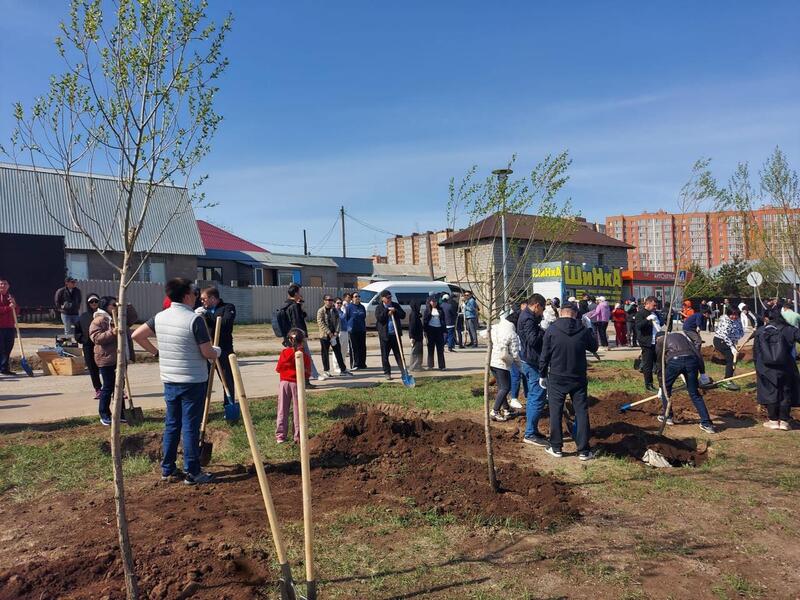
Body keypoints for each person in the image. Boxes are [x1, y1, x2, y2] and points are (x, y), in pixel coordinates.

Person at [132, 277, 220, 485]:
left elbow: (137, 335)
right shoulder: (193, 320)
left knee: (172, 424)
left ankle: (168, 469)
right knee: (190, 426)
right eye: (194, 292)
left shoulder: (160, 317)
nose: (197, 295)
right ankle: (193, 471)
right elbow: (207, 352)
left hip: (170, 379)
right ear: (187, 295)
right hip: (192, 380)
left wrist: (157, 353)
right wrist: (217, 351)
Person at [538, 301, 598, 460]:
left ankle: (556, 447)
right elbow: (594, 347)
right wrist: (590, 328)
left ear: (560, 312)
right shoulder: (583, 330)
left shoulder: (552, 330)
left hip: (557, 376)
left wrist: (542, 374)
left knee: (556, 411)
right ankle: (584, 450)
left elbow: (545, 355)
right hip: (578, 377)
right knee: (581, 411)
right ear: (576, 314)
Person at [654, 330, 717, 434]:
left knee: (666, 389)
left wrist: (661, 387)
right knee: (694, 393)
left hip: (675, 361)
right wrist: (703, 373)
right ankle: (707, 424)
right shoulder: (680, 336)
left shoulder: (661, 342)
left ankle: (668, 416)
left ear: (657, 339)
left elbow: (660, 365)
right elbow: (697, 353)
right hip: (692, 361)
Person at [754, 308, 800, 430]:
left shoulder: (761, 331)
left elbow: (756, 352)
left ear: (766, 318)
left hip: (766, 368)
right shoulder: (789, 329)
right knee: (785, 392)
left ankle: (773, 421)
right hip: (786, 367)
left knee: (770, 392)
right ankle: (784, 421)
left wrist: (758, 368)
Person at [518, 294, 547, 446]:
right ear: (536, 305)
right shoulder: (528, 319)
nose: (542, 313)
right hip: (532, 361)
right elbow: (533, 340)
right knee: (537, 396)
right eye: (542, 309)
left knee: (534, 397)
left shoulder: (527, 316)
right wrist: (543, 329)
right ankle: (530, 433)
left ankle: (532, 430)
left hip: (528, 359)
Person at [198, 287, 236, 405]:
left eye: (204, 299)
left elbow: (225, 322)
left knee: (227, 380)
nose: (202, 302)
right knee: (203, 381)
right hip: (207, 349)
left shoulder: (227, 307)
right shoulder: (202, 311)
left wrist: (208, 315)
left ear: (213, 298)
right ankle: (203, 409)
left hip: (224, 349)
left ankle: (229, 405)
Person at [89, 296, 123, 426]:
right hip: (106, 358)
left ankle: (121, 412)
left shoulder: (118, 318)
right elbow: (96, 338)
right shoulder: (99, 320)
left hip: (119, 357)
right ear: (106, 306)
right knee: (108, 386)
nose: (115, 307)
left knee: (120, 386)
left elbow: (133, 318)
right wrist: (111, 333)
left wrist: (126, 305)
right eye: (113, 305)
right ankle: (104, 414)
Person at [274, 328, 311, 443]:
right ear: (302, 341)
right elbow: (307, 373)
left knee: (282, 409)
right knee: (298, 410)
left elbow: (278, 369)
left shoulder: (284, 353)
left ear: (289, 340)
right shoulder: (304, 356)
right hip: (297, 384)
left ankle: (280, 436)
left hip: (284, 383)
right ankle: (298, 436)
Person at [489, 311, 523, 422]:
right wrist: (519, 366)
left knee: (501, 387)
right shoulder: (512, 334)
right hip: (502, 364)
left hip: (492, 362)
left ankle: (507, 409)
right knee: (505, 387)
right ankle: (495, 411)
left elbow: (484, 333)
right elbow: (515, 353)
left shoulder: (496, 327)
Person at [282, 284, 320, 382]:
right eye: (299, 292)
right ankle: (306, 380)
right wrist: (302, 336)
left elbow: (301, 316)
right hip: (297, 337)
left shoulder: (287, 305)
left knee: (296, 358)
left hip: (290, 336)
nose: (300, 294)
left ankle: (299, 378)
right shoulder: (293, 306)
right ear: (295, 293)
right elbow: (297, 322)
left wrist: (300, 306)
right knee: (305, 357)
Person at [74, 293, 102, 399]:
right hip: (88, 346)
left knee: (107, 368)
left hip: (103, 345)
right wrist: (83, 340)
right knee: (92, 368)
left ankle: (113, 389)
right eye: (91, 302)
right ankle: (98, 389)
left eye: (96, 301)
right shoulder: (84, 316)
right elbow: (77, 331)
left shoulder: (104, 315)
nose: (94, 303)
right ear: (88, 303)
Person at [374, 290, 406, 380]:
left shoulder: (395, 305)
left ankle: (404, 372)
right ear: (382, 298)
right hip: (385, 336)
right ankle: (387, 373)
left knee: (399, 354)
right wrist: (387, 312)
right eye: (387, 298)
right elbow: (380, 318)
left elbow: (403, 315)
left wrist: (395, 311)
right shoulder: (379, 307)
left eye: (390, 297)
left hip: (395, 335)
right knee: (385, 356)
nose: (389, 299)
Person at [316, 295, 350, 378]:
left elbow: (338, 321)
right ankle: (326, 371)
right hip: (324, 336)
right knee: (325, 354)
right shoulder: (321, 311)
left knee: (338, 352)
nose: (330, 301)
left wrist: (336, 332)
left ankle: (343, 369)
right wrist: (329, 332)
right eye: (328, 300)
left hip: (334, 336)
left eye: (331, 300)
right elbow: (320, 323)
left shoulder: (334, 310)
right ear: (324, 301)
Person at [713, 308, 744, 390]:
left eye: (736, 315)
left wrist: (735, 338)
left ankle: (729, 378)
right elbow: (725, 335)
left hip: (732, 341)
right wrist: (732, 347)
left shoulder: (738, 320)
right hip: (721, 340)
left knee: (734, 358)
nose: (734, 317)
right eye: (732, 315)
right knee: (731, 357)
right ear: (728, 314)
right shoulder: (725, 320)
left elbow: (741, 332)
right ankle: (727, 381)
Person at [635, 296, 661, 392]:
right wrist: (647, 319)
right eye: (654, 305)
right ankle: (648, 385)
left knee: (659, 364)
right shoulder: (640, 313)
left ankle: (661, 384)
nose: (655, 307)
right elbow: (638, 326)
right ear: (647, 303)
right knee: (648, 365)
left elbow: (659, 325)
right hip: (646, 342)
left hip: (657, 342)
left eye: (656, 306)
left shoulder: (655, 313)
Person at [421, 295, 446, 370]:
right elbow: (425, 321)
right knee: (430, 348)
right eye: (433, 301)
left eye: (435, 301)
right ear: (430, 302)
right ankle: (430, 365)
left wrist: (444, 331)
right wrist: (425, 331)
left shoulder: (440, 309)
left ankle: (442, 366)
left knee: (440, 349)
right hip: (430, 330)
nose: (434, 303)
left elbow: (443, 321)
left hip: (439, 330)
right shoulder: (427, 310)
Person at [0, 279, 19, 376]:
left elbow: (16, 311)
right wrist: (8, 308)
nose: (3, 285)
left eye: (5, 284)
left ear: (8, 286)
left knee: (8, 348)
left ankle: (4, 368)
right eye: (1, 284)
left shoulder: (10, 297)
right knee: (1, 348)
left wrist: (14, 306)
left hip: (10, 326)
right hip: (0, 327)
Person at [346, 292, 368, 369]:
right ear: (352, 298)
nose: (357, 297)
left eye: (358, 296)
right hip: (352, 330)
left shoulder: (362, 307)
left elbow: (364, 316)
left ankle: (362, 364)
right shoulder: (349, 307)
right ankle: (355, 364)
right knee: (354, 347)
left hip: (361, 329)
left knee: (362, 347)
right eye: (355, 296)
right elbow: (347, 317)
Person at [407, 299, 424, 371]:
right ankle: (413, 366)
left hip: (419, 336)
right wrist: (412, 337)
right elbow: (412, 326)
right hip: (415, 337)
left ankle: (418, 365)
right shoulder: (413, 314)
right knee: (415, 352)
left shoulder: (416, 313)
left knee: (419, 351)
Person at [336, 297, 351, 371]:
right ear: (335, 304)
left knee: (344, 350)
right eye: (337, 303)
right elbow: (341, 318)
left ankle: (343, 366)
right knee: (338, 350)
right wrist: (345, 310)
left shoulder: (341, 311)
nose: (339, 304)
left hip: (345, 331)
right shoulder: (335, 311)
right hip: (339, 332)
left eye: (340, 303)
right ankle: (337, 367)